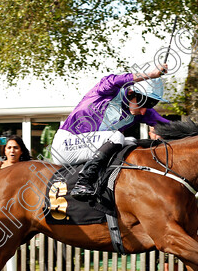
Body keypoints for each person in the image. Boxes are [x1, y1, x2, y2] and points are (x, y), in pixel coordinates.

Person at [50, 64, 171, 202]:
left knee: (131, 141)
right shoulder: (106, 91)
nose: (144, 111)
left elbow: (168, 126)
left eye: (150, 105)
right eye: (144, 103)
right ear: (131, 92)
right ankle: (83, 182)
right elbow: (115, 80)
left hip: (89, 148)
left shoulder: (140, 112)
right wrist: (150, 74)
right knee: (117, 137)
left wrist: (197, 129)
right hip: (65, 145)